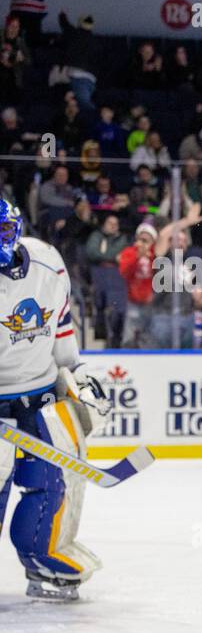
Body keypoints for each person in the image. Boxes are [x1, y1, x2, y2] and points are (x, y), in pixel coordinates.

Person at [0, 199, 112, 601]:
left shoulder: (48, 260)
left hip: (42, 392)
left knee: (57, 477)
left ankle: (45, 558)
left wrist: (77, 373)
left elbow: (60, 326)